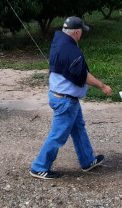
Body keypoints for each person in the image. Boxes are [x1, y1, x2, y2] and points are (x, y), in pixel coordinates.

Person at [30, 16, 112, 179]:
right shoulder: (70, 50)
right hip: (65, 100)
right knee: (58, 135)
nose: (82, 34)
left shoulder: (60, 41)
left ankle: (87, 161)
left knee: (78, 128)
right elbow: (83, 75)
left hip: (64, 98)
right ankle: (39, 166)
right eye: (82, 31)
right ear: (76, 32)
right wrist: (103, 86)